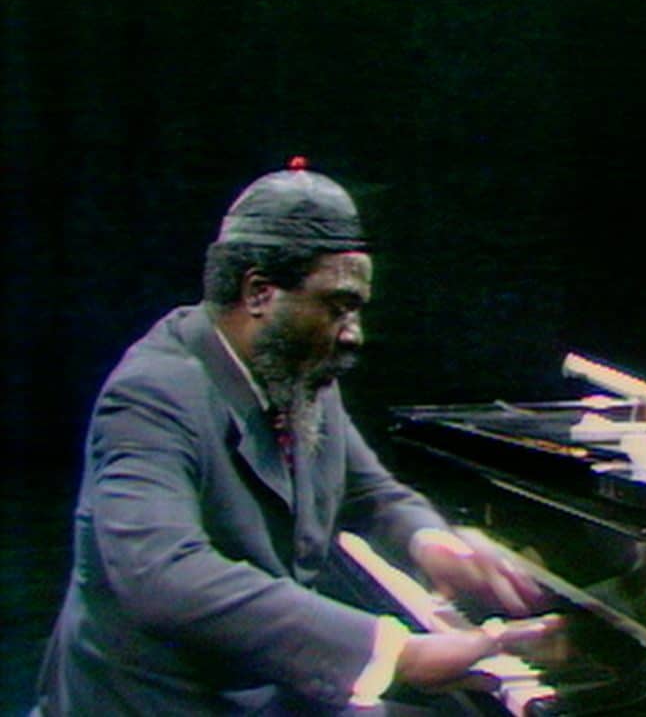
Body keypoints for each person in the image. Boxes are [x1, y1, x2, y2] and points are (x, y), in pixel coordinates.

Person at [34, 157, 553, 715]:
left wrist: (433, 543)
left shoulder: (298, 371)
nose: (354, 335)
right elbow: (163, 572)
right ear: (260, 293)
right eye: (339, 306)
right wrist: (395, 652)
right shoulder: (152, 394)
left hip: (262, 687)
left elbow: (370, 492)